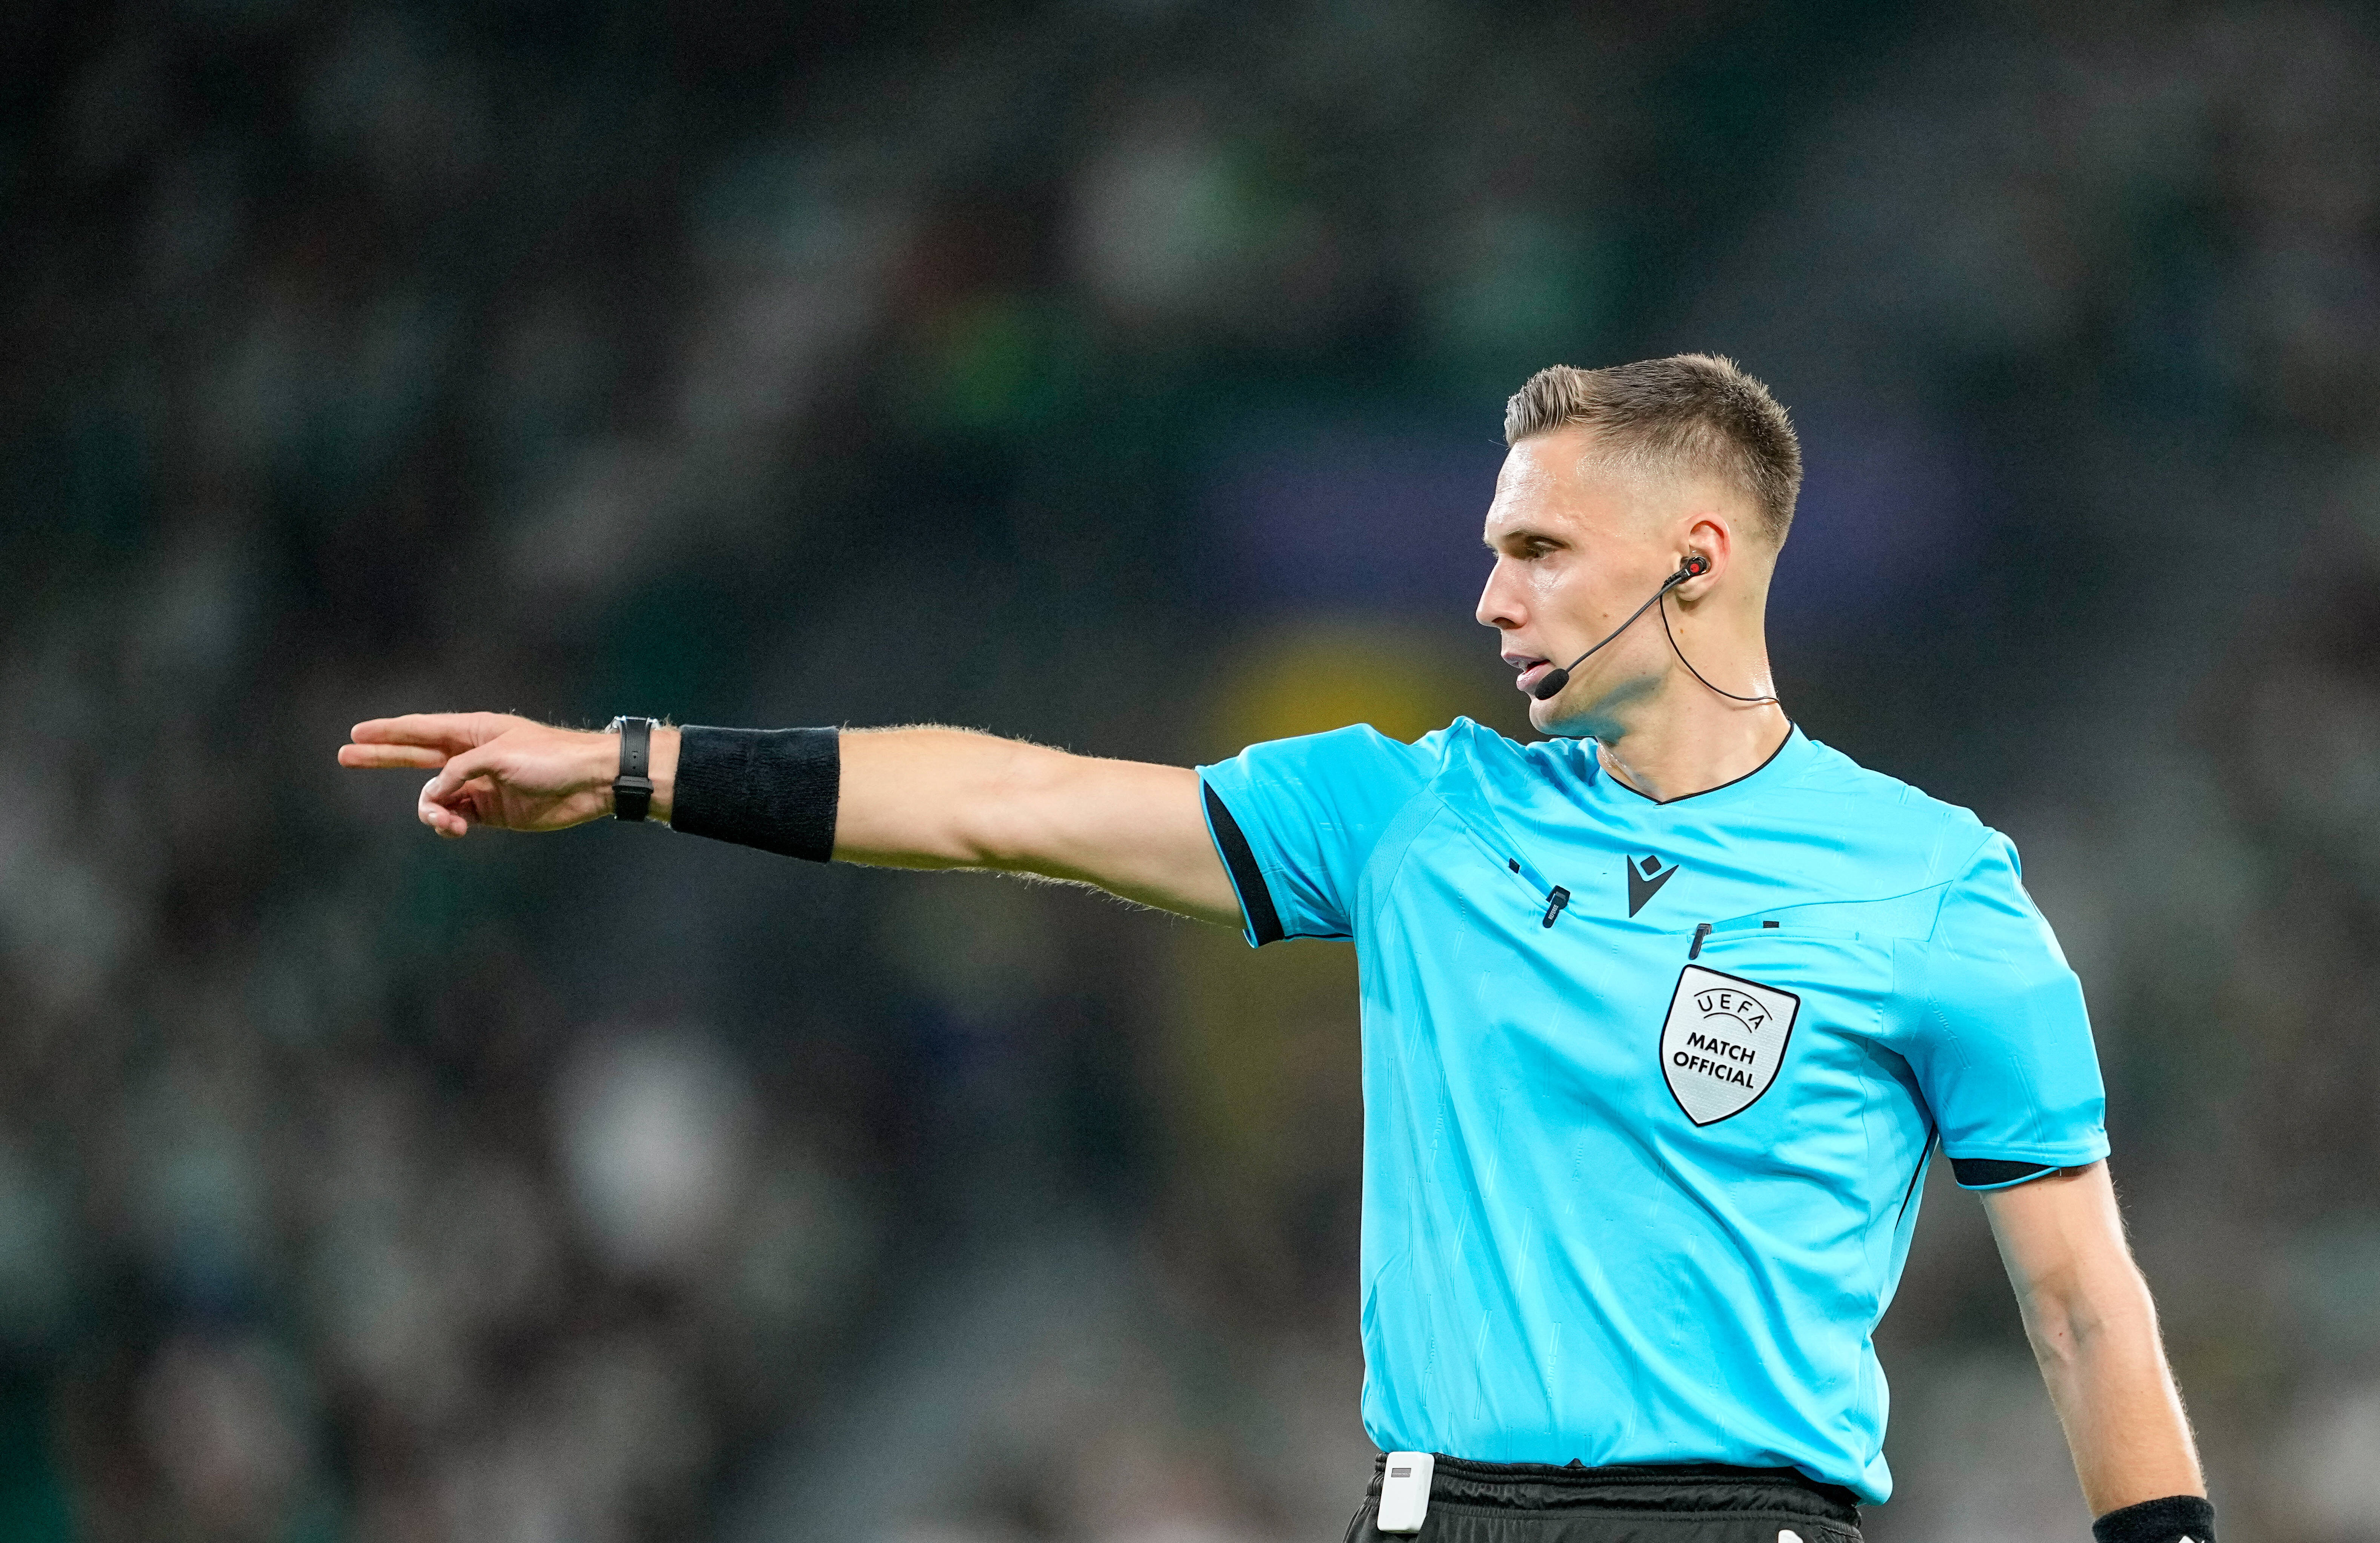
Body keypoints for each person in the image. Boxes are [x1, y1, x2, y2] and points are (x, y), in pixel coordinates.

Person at [340, 355, 2213, 1543]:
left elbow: (2081, 1305)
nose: (1486, 598)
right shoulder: (1414, 816)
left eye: (1540, 551)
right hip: (1426, 1520)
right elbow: (1018, 803)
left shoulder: (1935, 892)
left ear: (1698, 560)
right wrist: (645, 765)